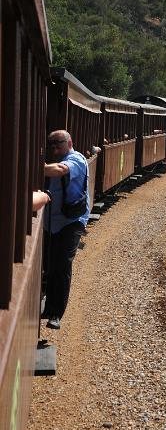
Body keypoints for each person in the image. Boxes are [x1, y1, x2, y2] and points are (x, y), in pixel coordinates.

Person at [42, 130, 90, 329]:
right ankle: (48, 308)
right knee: (51, 266)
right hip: (52, 222)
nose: (54, 148)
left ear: (69, 142)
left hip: (72, 221)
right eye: (51, 145)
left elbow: (60, 170)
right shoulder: (53, 161)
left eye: (58, 144)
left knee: (62, 265)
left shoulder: (76, 159)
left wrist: (34, 166)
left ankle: (56, 314)